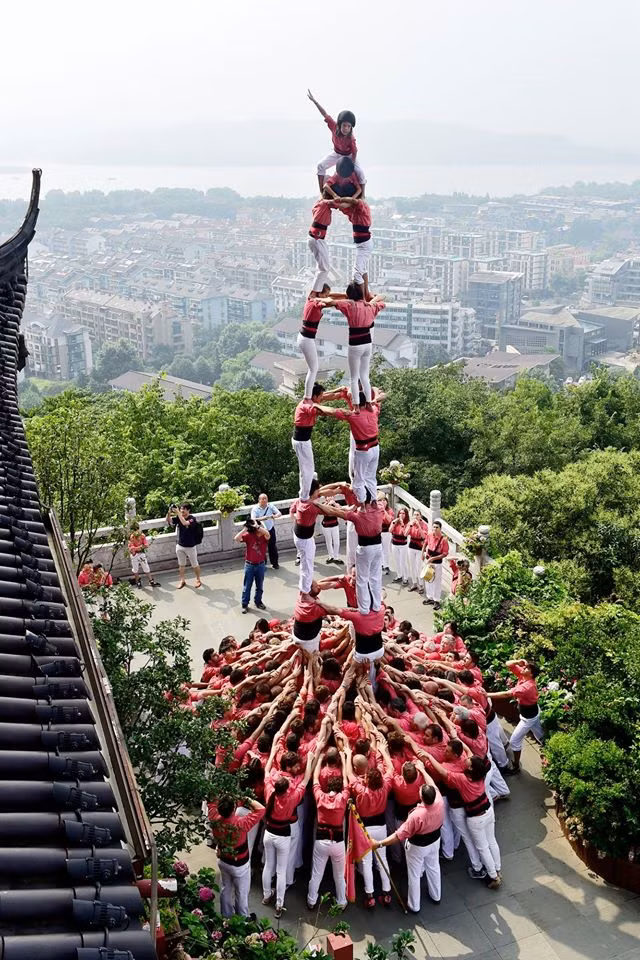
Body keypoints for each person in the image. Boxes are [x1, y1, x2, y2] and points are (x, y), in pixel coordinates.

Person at [373, 776, 445, 912]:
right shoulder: (440, 801)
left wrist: (380, 843)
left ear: (421, 797)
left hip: (418, 846)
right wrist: (423, 770)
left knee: (414, 874)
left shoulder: (416, 815)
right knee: (434, 867)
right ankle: (436, 895)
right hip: (435, 840)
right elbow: (433, 784)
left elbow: (399, 835)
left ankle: (414, 905)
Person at [262, 751, 315, 919]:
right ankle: (279, 904)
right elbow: (305, 780)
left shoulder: (269, 790)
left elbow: (267, 770)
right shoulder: (292, 798)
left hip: (269, 833)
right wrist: (311, 760)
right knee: (281, 870)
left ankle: (266, 895)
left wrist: (272, 754)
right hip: (283, 836)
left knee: (268, 865)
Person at [314, 389, 386, 504]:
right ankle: (373, 501)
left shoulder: (353, 415)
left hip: (364, 449)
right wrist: (374, 398)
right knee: (371, 477)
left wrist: (317, 405)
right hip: (375, 447)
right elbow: (382, 397)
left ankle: (362, 504)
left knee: (358, 481)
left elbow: (332, 411)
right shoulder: (373, 410)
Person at [320, 286, 385, 407]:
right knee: (365, 376)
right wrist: (371, 301)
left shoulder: (350, 305)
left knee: (354, 378)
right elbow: (382, 298)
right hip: (367, 344)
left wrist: (317, 298)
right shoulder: (370, 306)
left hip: (355, 344)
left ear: (350, 296)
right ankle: (369, 403)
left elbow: (331, 302)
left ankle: (356, 406)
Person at [208, 796, 266, 917]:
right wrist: (245, 798)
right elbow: (261, 809)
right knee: (241, 893)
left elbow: (212, 801)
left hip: (223, 861)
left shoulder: (214, 817)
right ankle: (242, 920)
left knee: (225, 889)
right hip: (240, 865)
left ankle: (226, 916)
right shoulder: (241, 823)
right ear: (234, 808)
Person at [307, 750, 349, 910]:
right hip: (338, 843)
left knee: (316, 873)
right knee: (339, 875)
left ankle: (311, 900)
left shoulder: (319, 796)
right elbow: (346, 780)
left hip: (321, 841)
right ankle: (341, 901)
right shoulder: (343, 797)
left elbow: (315, 778)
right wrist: (344, 760)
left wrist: (319, 760)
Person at [307, 90, 366, 194]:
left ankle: (362, 195)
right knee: (320, 165)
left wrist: (351, 165)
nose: (346, 128)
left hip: (348, 156)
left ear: (351, 128)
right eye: (344, 125)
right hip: (337, 153)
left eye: (348, 126)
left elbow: (355, 152)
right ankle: (322, 192)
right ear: (339, 125)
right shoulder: (334, 127)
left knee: (361, 173)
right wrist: (315, 102)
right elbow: (324, 114)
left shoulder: (351, 138)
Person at [490, 659, 544, 772]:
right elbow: (508, 664)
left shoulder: (527, 687)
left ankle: (515, 766)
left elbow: (507, 694)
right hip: (532, 712)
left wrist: (486, 694)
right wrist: (518, 661)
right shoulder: (523, 676)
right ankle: (548, 749)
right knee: (541, 736)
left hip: (528, 718)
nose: (524, 668)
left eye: (527, 668)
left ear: (531, 674)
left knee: (514, 741)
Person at [234, 517, 270, 614]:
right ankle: (244, 604)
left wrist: (257, 526)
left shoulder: (264, 536)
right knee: (247, 586)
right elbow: (236, 538)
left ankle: (258, 602)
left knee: (259, 586)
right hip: (249, 565)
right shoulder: (249, 535)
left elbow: (267, 533)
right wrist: (245, 529)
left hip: (260, 565)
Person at [166, 502, 202, 589]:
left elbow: (185, 523)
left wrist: (178, 513)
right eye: (181, 509)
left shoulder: (192, 519)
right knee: (181, 565)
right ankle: (182, 580)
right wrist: (169, 512)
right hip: (180, 545)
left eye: (184, 510)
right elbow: (168, 521)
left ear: (188, 510)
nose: (182, 511)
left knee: (194, 564)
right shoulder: (179, 517)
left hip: (191, 546)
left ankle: (198, 579)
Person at [422, 520, 450, 610]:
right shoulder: (429, 535)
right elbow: (425, 543)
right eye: (433, 527)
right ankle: (429, 597)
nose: (435, 529)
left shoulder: (444, 540)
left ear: (440, 528)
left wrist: (434, 558)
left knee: (436, 581)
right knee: (427, 579)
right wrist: (422, 553)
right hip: (428, 560)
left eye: (437, 527)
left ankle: (436, 600)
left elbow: (445, 553)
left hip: (437, 562)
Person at [251, 493, 282, 570]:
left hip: (270, 529)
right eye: (262, 499)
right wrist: (262, 518)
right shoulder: (255, 508)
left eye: (265, 498)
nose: (264, 500)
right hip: (261, 531)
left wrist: (274, 516)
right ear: (259, 500)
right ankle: (262, 564)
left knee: (272, 547)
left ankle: (275, 563)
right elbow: (253, 519)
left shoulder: (270, 506)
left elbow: (279, 513)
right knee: (261, 548)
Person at [128, 521, 158, 588]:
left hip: (141, 553)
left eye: (137, 529)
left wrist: (137, 548)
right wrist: (140, 547)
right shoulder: (131, 537)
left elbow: (146, 545)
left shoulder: (142, 536)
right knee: (135, 569)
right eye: (134, 530)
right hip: (134, 554)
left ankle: (150, 580)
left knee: (146, 567)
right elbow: (131, 548)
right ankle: (138, 580)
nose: (136, 531)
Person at [406, 510, 428, 595]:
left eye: (417, 515)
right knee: (412, 565)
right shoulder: (410, 523)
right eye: (414, 514)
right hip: (411, 546)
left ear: (420, 516)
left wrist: (419, 526)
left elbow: (423, 536)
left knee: (419, 567)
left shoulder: (424, 525)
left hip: (420, 547)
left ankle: (421, 585)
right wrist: (410, 526)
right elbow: (405, 534)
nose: (415, 516)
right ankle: (414, 583)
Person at [390, 507, 410, 586]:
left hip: (403, 545)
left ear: (406, 515)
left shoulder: (408, 523)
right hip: (394, 544)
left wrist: (402, 524)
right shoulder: (395, 522)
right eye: (400, 513)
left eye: (403, 513)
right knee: (397, 561)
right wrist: (393, 523)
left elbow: (405, 534)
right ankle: (399, 575)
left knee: (403, 562)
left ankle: (406, 577)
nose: (401, 515)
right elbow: (390, 530)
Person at [377, 494, 394, 575]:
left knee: (386, 549)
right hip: (378, 532)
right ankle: (380, 564)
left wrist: (384, 510)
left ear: (387, 502)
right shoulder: (376, 510)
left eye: (384, 500)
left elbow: (389, 520)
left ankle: (386, 565)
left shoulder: (389, 510)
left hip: (386, 532)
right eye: (380, 500)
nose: (382, 502)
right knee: (379, 549)